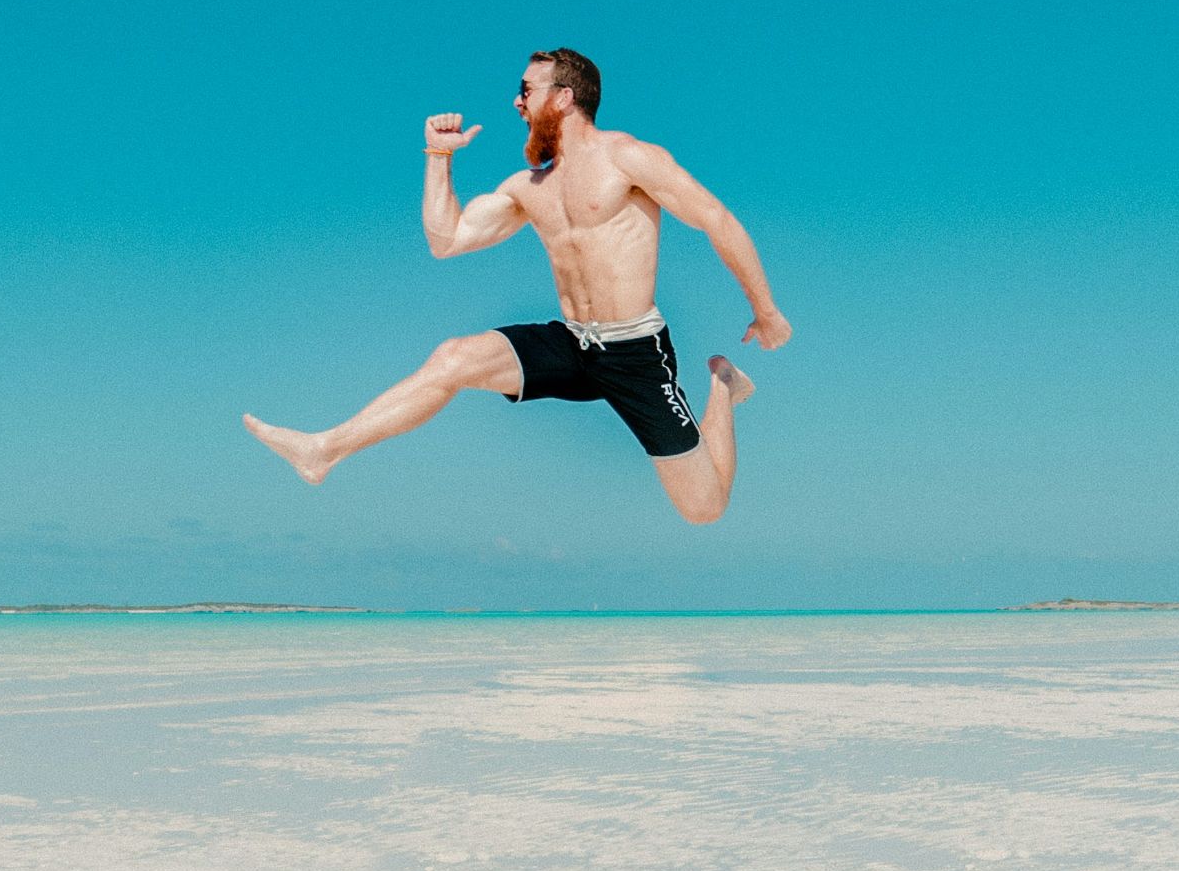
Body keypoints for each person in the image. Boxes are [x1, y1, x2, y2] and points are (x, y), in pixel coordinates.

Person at [244, 47, 791, 524]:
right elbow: (447, 240)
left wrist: (765, 311)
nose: (516, 102)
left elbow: (717, 220)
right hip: (572, 342)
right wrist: (439, 156)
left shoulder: (628, 158)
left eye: (526, 90)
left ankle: (723, 386)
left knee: (703, 509)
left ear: (564, 97)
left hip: (634, 351)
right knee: (453, 359)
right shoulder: (530, 187)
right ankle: (324, 451)